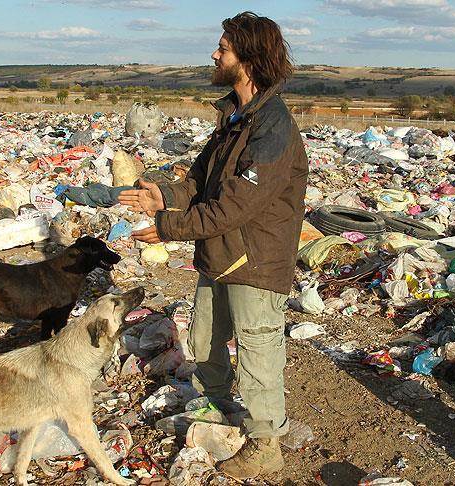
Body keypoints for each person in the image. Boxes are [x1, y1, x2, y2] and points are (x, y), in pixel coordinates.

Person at [119, 11, 308, 479]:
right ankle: (225, 409)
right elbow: (201, 181)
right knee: (203, 342)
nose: (214, 53)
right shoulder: (234, 117)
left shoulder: (273, 129)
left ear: (247, 59)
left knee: (257, 348)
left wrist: (168, 226)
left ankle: (267, 443)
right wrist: (163, 195)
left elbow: (234, 207)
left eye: (223, 48)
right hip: (221, 254)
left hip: (257, 260)